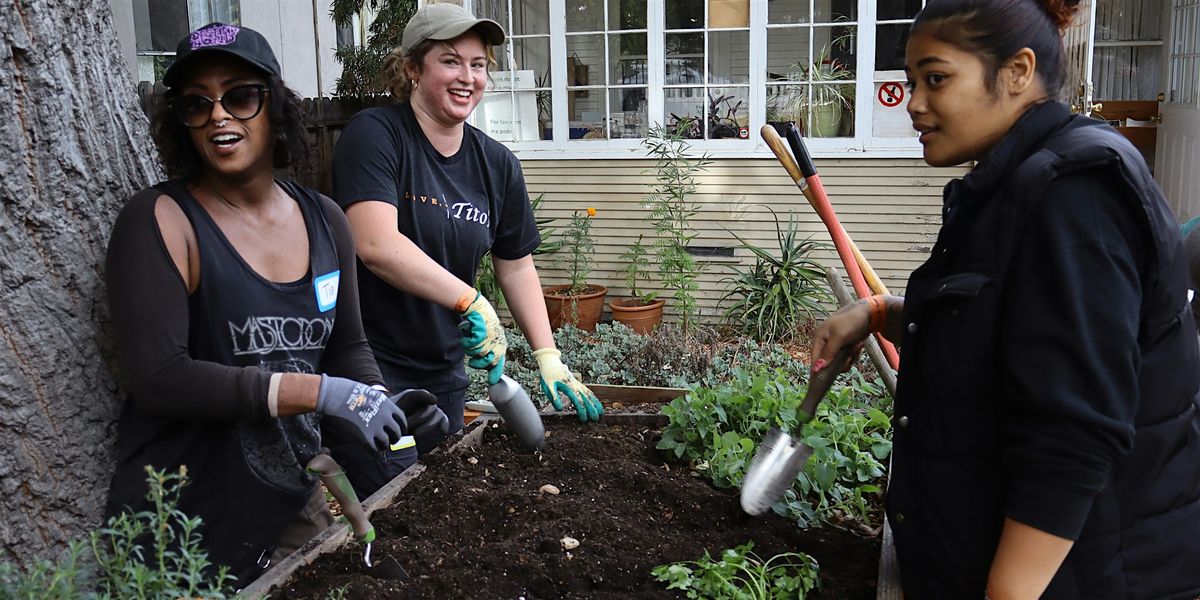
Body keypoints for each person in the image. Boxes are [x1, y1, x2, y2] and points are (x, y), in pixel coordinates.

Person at [810, 1, 1200, 598]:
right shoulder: (1013, 181)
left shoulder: (1075, 195)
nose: (914, 103)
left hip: (1081, 579)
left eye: (936, 79)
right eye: (911, 82)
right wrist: (881, 312)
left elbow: (1074, 437)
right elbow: (1011, 327)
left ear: (1017, 71)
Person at [102, 23, 447, 587]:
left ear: (276, 107)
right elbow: (161, 378)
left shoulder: (325, 221)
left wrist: (379, 406)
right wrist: (322, 393)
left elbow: (346, 346)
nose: (219, 116)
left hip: (291, 499)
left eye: (240, 96)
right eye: (197, 103)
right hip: (186, 517)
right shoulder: (161, 221)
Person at [326, 3, 603, 497]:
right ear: (413, 69)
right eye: (450, 61)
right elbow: (374, 243)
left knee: (440, 503)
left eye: (478, 65)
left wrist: (548, 356)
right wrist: (470, 299)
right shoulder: (376, 135)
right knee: (397, 501)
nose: (467, 77)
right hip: (372, 368)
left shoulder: (496, 164)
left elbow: (515, 265)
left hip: (444, 372)